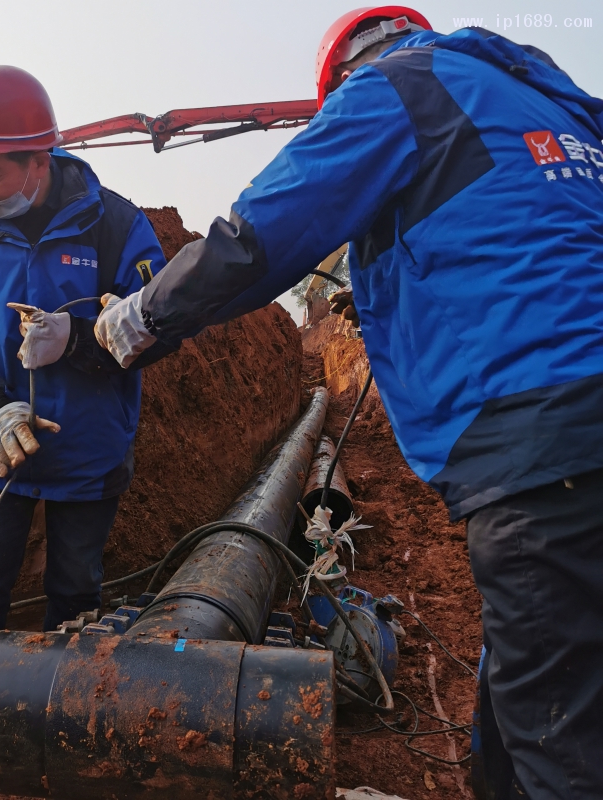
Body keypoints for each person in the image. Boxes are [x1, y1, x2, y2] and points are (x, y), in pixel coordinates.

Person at [94, 8, 603, 800]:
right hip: (567, 438)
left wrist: (143, 316)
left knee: (563, 739)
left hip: (541, 444)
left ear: (339, 82)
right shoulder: (554, 110)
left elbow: (260, 236)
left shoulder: (395, 90)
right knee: (536, 682)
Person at [0, 65, 165, 783]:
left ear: (39, 160)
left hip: (89, 453)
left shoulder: (116, 225)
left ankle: (63, 737)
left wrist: (84, 340)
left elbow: (163, 325)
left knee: (75, 591)